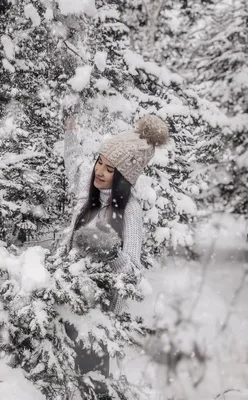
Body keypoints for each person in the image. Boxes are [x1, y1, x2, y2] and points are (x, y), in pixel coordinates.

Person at [63, 113, 168, 398]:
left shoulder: (129, 212)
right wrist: (70, 131)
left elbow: (132, 275)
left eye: (110, 169)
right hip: (66, 305)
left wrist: (111, 253)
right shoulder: (90, 197)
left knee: (89, 385)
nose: (99, 171)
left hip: (96, 317)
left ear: (123, 177)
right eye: (100, 162)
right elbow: (74, 167)